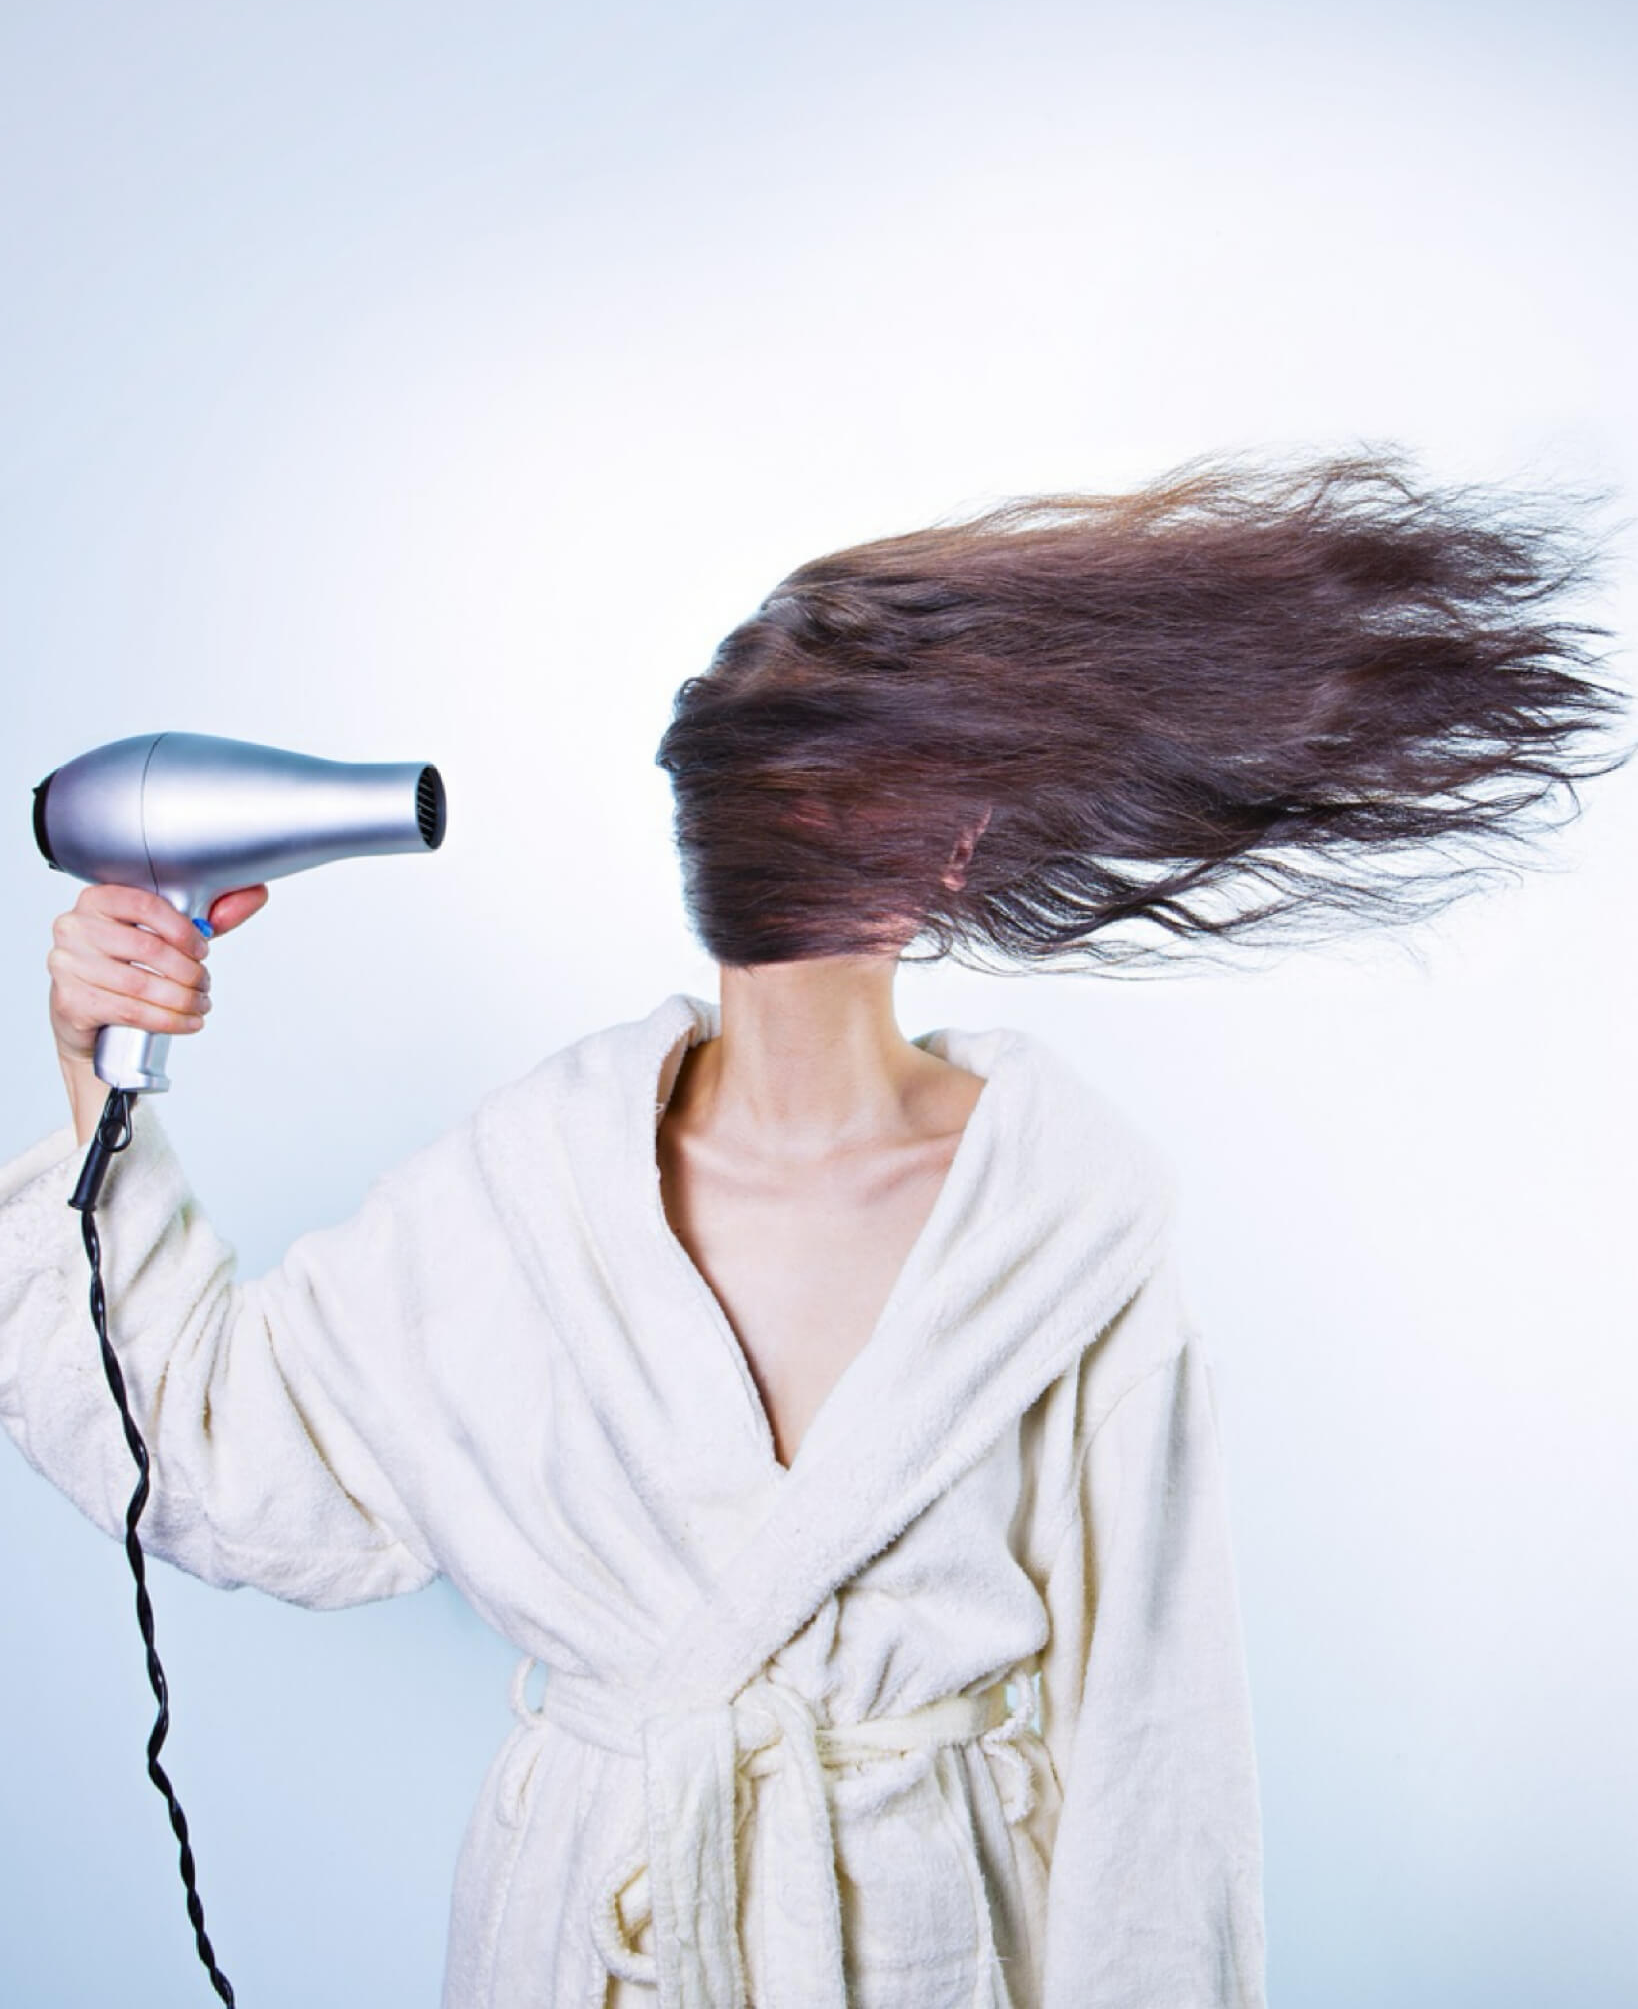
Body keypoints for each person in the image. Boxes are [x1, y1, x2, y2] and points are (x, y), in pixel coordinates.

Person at [2, 449, 1627, 2008]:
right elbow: (215, 1457)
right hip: (597, 1940)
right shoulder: (524, 1193)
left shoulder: (1052, 1226)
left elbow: (1152, 1749)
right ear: (952, 847)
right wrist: (99, 1090)